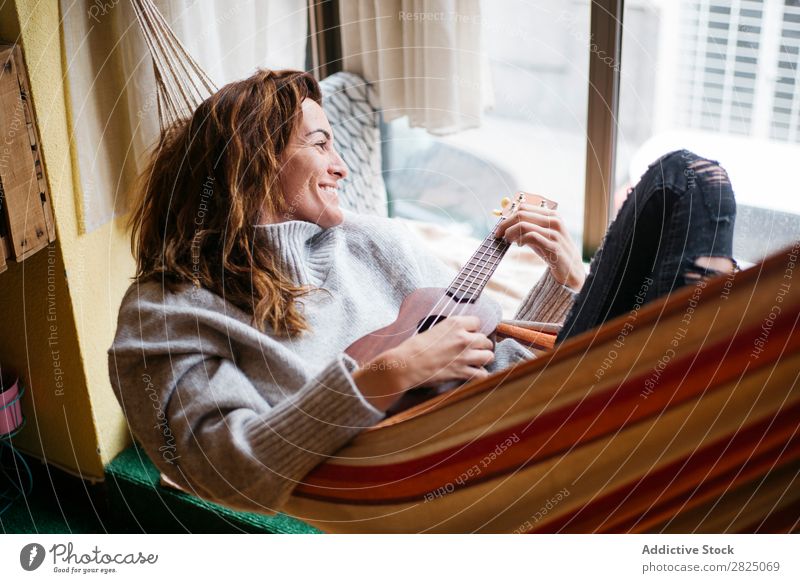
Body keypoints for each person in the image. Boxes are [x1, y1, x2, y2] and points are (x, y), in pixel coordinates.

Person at [108, 69, 736, 514]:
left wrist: (567, 279)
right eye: (320, 143)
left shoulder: (374, 238)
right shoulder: (169, 308)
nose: (341, 166)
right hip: (461, 457)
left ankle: (712, 357)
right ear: (251, 159)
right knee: (686, 188)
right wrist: (384, 376)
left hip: (531, 395)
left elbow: (475, 341)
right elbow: (217, 466)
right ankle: (709, 364)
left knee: (681, 180)